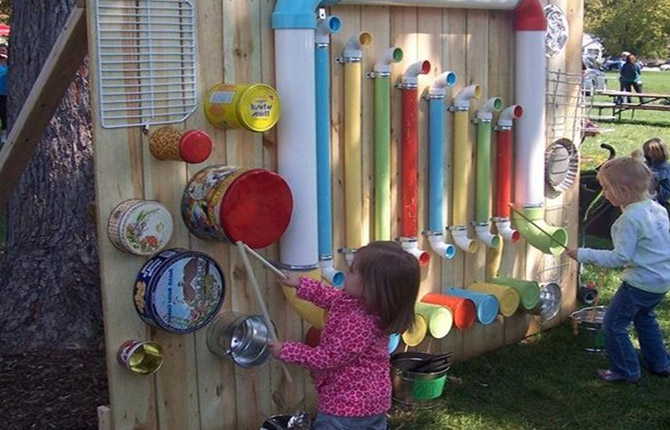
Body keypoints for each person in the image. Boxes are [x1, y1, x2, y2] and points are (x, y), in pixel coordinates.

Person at [268, 241, 420, 429]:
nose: (346, 272)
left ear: (371, 286)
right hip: (371, 403)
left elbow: (327, 358)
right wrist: (301, 284)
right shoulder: (361, 303)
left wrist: (286, 350)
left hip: (347, 407)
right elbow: (332, 297)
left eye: (353, 271)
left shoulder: (359, 323)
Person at [567, 156, 670, 383]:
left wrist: (582, 254)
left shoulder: (630, 219)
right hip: (660, 281)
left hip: (639, 284)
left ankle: (625, 371)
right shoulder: (656, 208)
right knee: (645, 319)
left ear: (622, 190)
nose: (603, 193)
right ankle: (660, 363)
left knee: (613, 325)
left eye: (605, 188)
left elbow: (619, 258)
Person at [641, 138, 670, 212]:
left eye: (649, 152)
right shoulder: (648, 163)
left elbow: (665, 194)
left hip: (660, 197)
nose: (647, 154)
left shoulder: (664, 168)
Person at [0, 43, 7, 145]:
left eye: (4, 50)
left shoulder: (11, 65)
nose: (2, 52)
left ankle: (4, 134)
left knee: (4, 114)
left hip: (6, 94)